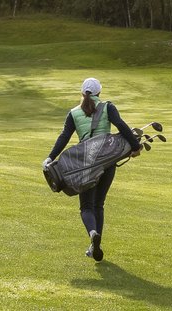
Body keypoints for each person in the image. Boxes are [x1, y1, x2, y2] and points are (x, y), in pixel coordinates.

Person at [46, 77, 141, 261]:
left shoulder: (74, 112)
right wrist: (135, 146)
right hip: (107, 162)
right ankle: (95, 243)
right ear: (99, 93)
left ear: (82, 93)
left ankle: (92, 234)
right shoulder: (108, 107)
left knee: (86, 206)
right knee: (99, 204)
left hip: (85, 165)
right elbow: (121, 126)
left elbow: (64, 136)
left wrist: (50, 157)